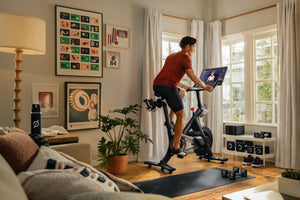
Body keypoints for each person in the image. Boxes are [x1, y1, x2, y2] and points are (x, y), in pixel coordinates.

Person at [153, 36, 213, 156]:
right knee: (182, 115)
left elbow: (170, 76)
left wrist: (186, 87)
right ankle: (175, 147)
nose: (194, 50)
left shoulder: (172, 56)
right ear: (188, 47)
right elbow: (193, 76)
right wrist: (205, 86)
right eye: (194, 47)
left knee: (181, 93)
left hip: (157, 84)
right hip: (168, 87)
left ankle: (170, 120)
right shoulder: (185, 57)